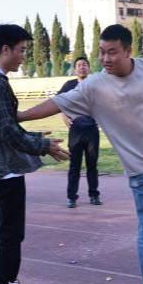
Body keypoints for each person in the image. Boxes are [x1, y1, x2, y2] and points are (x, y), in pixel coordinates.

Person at [19, 24, 143, 284]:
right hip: (139, 168)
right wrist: (21, 116)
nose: (105, 58)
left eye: (112, 52)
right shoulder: (94, 86)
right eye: (102, 52)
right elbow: (57, 103)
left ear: (128, 51)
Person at [0, 24, 69, 284]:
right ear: (6, 49)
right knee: (12, 235)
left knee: (7, 232)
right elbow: (6, 131)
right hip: (4, 169)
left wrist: (36, 137)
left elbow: (4, 126)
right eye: (22, 50)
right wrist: (43, 146)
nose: (23, 56)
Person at [57, 56, 101, 208]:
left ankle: (94, 195)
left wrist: (102, 118)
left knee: (92, 165)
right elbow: (58, 101)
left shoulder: (94, 84)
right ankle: (71, 197)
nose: (82, 67)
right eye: (79, 65)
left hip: (92, 131)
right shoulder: (69, 85)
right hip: (75, 130)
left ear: (88, 68)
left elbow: (105, 102)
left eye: (84, 65)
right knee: (74, 166)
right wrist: (64, 116)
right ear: (75, 69)